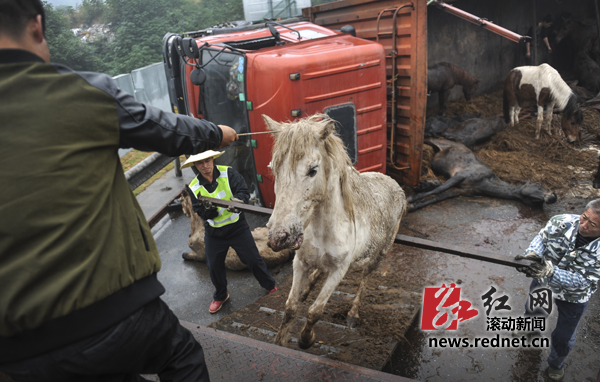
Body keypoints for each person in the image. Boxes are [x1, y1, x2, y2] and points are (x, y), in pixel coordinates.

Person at [0, 1, 239, 381]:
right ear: (36, 27)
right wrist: (217, 133)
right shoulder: (77, 91)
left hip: (14, 353)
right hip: (113, 315)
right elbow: (163, 128)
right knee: (182, 357)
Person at [514, 199, 600, 382]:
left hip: (574, 297)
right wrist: (534, 253)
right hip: (543, 282)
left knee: (564, 336)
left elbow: (584, 280)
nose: (583, 225)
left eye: (592, 224)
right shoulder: (561, 221)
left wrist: (552, 272)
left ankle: (556, 364)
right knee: (534, 309)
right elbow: (542, 238)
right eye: (584, 218)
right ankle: (530, 329)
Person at [182, 150, 277, 314]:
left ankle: (270, 286)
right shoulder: (193, 187)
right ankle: (221, 295)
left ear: (212, 159)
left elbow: (243, 192)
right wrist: (209, 211)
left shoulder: (228, 173)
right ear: (195, 165)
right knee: (214, 266)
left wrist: (238, 201)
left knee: (253, 259)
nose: (205, 165)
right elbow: (199, 211)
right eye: (200, 163)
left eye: (207, 160)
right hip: (214, 233)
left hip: (236, 227)